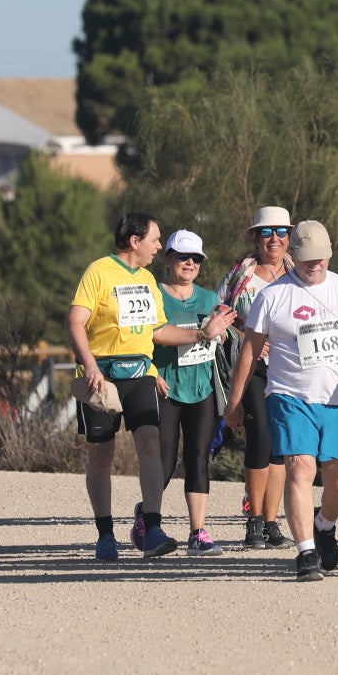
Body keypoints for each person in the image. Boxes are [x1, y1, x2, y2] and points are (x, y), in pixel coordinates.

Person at [225, 220, 338, 582]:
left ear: (330, 253)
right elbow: (249, 353)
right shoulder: (273, 295)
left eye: (322, 258)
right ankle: (306, 552)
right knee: (300, 467)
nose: (315, 265)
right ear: (293, 255)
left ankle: (324, 524)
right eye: (307, 258)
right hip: (289, 395)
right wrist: (234, 402)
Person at [67, 213, 233, 563]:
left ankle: (152, 527)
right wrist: (91, 366)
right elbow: (76, 321)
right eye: (155, 240)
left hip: (140, 371)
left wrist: (203, 334)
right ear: (134, 241)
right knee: (101, 455)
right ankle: (105, 534)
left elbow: (159, 331)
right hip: (102, 376)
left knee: (150, 444)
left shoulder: (145, 279)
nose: (159, 246)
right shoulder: (98, 272)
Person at [216, 208, 296, 549]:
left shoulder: (300, 272)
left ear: (289, 236)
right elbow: (219, 310)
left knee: (280, 445)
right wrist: (240, 334)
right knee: (260, 437)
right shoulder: (240, 274)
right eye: (266, 232)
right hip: (250, 365)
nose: (274, 238)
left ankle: (271, 522)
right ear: (255, 237)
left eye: (280, 231)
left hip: (291, 368)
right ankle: (253, 520)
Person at [152, 230, 227, 556]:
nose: (190, 263)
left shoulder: (210, 298)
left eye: (196, 258)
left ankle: (198, 533)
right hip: (166, 387)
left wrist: (222, 336)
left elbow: (218, 335)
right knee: (164, 463)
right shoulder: (154, 293)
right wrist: (152, 371)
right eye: (183, 257)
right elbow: (148, 335)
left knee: (198, 459)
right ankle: (148, 521)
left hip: (202, 388)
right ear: (168, 259)